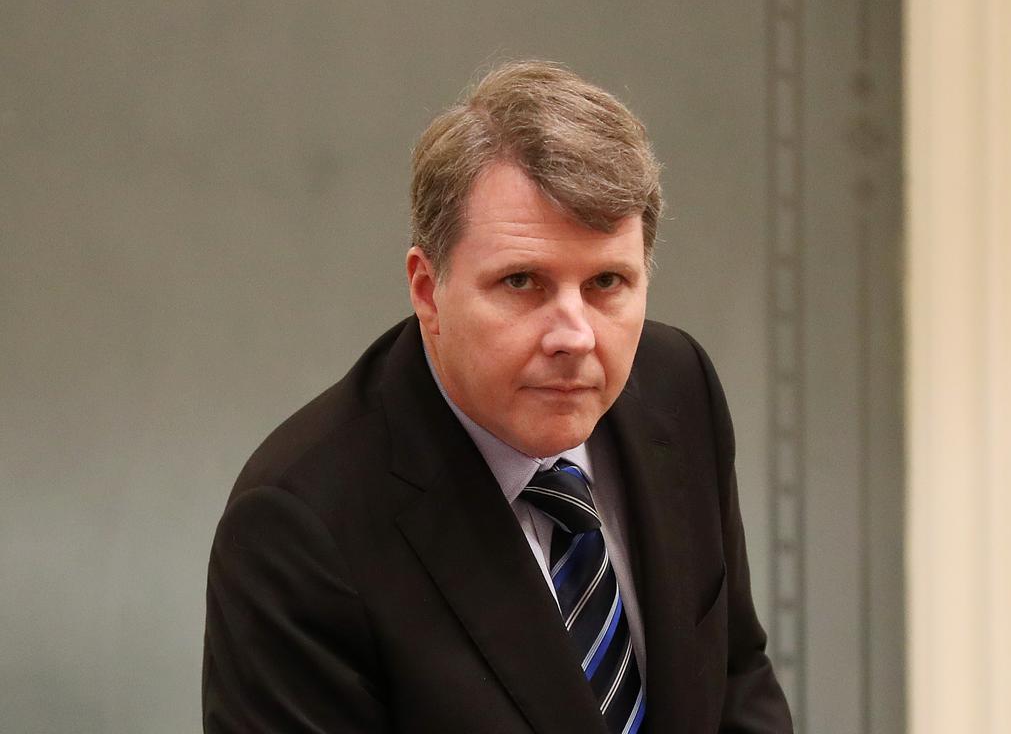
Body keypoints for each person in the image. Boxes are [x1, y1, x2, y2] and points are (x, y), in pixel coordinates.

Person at [202, 60, 793, 733]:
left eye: (606, 282)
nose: (574, 335)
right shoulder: (299, 526)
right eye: (522, 282)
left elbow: (735, 675)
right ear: (428, 290)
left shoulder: (678, 387)